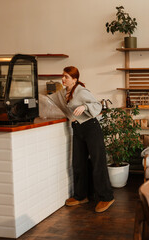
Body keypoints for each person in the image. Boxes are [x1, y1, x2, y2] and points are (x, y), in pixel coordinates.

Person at [48, 66, 114, 212]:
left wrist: (84, 106)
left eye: (66, 76)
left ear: (74, 79)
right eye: (63, 76)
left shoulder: (81, 91)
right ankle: (81, 196)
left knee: (98, 163)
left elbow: (97, 105)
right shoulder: (64, 93)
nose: (63, 79)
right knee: (78, 163)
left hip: (91, 128)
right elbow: (49, 101)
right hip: (77, 129)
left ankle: (106, 197)